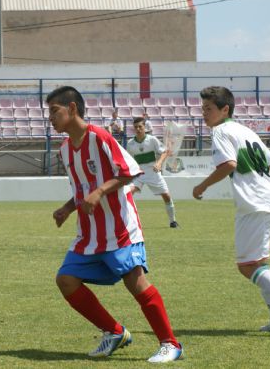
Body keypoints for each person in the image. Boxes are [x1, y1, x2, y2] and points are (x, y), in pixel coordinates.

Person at [47, 86, 184, 363]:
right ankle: (115, 331)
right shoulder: (65, 149)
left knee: (136, 283)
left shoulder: (100, 137)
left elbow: (129, 172)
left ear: (72, 109)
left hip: (120, 228)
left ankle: (170, 344)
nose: (50, 118)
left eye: (54, 111)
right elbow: (82, 188)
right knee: (66, 280)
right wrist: (66, 208)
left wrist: (99, 192)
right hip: (89, 234)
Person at [192, 86, 270, 338]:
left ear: (225, 109)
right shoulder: (246, 130)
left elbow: (228, 165)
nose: (204, 114)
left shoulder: (221, 131)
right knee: (260, 262)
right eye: (202, 109)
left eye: (209, 109)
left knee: (247, 266)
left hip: (254, 203)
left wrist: (202, 185)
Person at [126, 117, 180, 228]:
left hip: (153, 172)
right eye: (136, 127)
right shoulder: (130, 144)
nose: (138, 129)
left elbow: (165, 152)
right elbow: (128, 160)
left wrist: (159, 163)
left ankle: (172, 221)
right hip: (139, 173)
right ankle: (127, 222)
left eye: (140, 126)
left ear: (144, 127)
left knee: (166, 196)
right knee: (128, 194)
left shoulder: (152, 140)